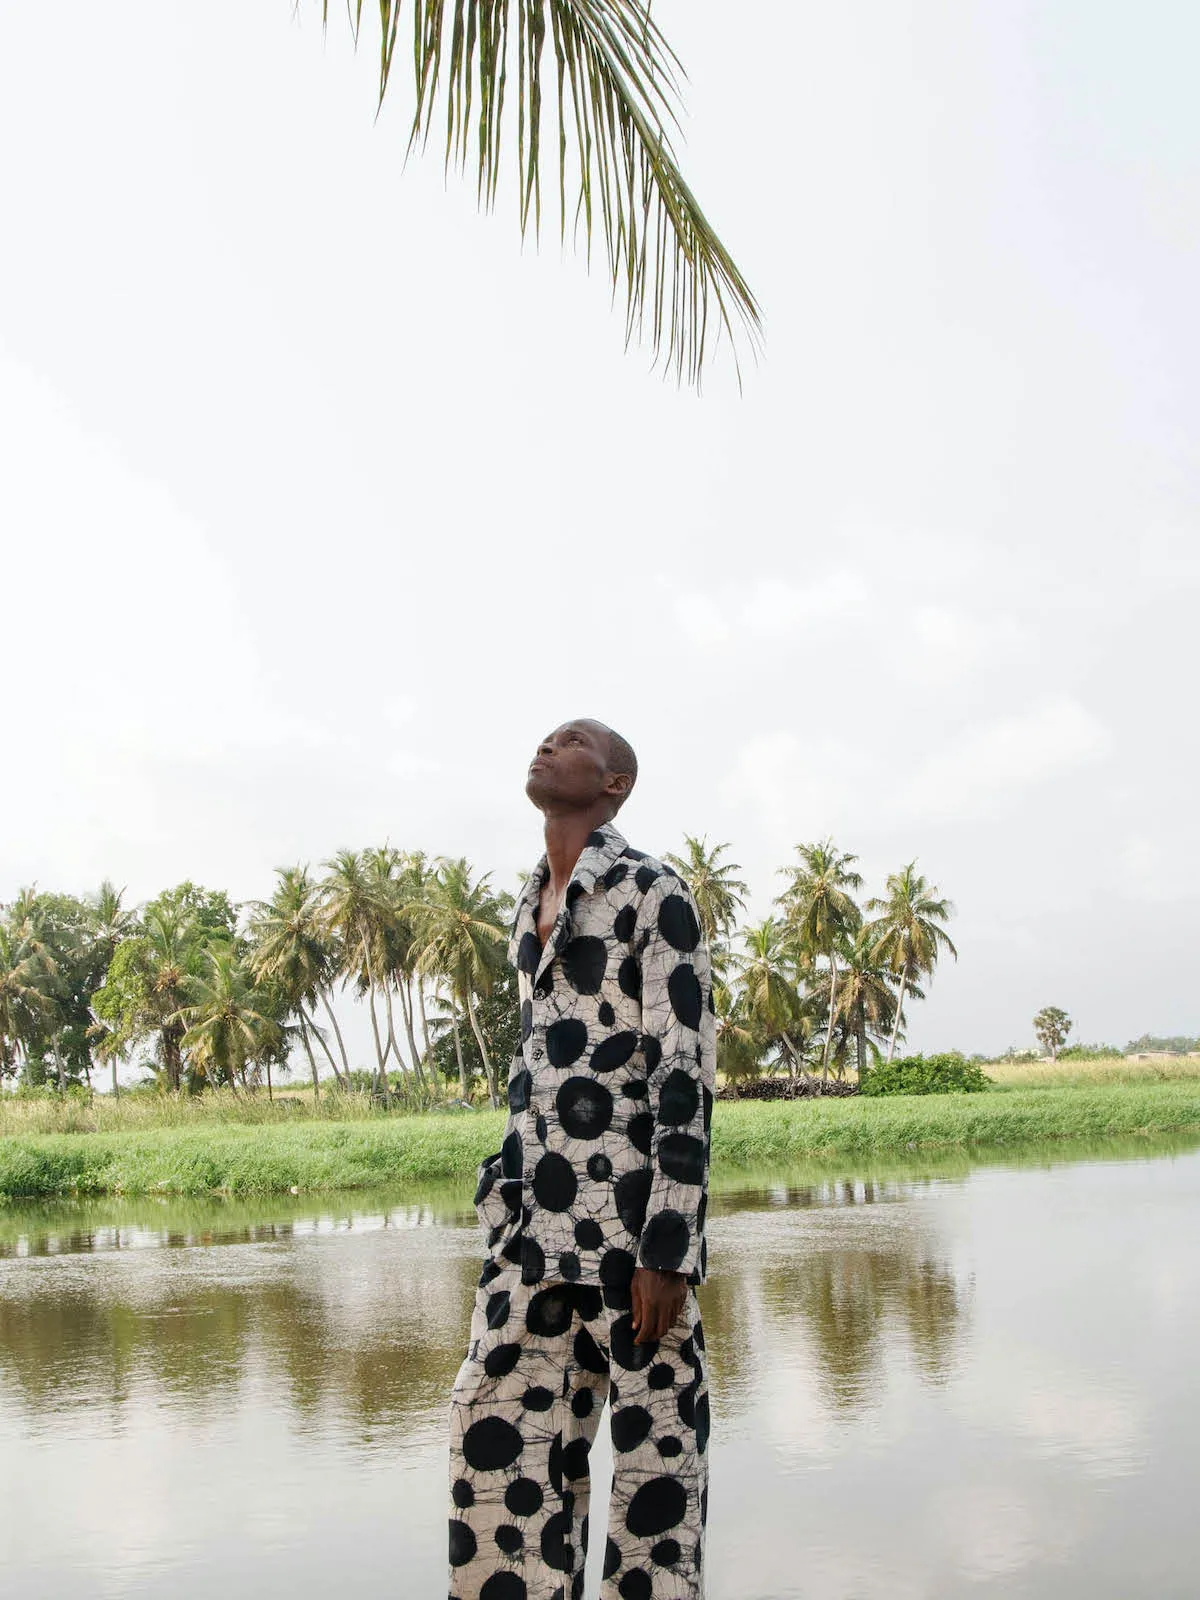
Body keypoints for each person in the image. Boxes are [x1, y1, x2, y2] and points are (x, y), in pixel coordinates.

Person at [448, 719, 716, 1600]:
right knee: (494, 1460)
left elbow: (685, 1071)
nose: (546, 745)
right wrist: (502, 1186)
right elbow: (536, 1066)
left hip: (628, 1237)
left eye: (572, 742)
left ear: (615, 785)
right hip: (529, 1238)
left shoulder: (652, 890)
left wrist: (667, 1248)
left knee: (653, 1487)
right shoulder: (527, 906)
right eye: (545, 737)